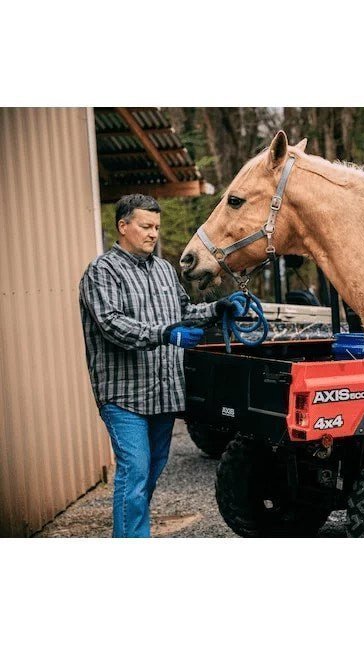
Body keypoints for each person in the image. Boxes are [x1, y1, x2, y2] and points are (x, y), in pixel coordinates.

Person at [79, 193, 233, 538]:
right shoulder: (102, 272)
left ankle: (129, 532)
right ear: (123, 226)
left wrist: (217, 309)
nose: (153, 233)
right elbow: (112, 324)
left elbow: (183, 313)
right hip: (123, 394)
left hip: (163, 392)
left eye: (157, 227)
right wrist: (165, 334)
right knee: (134, 470)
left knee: (150, 470)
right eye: (145, 226)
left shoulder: (164, 270)